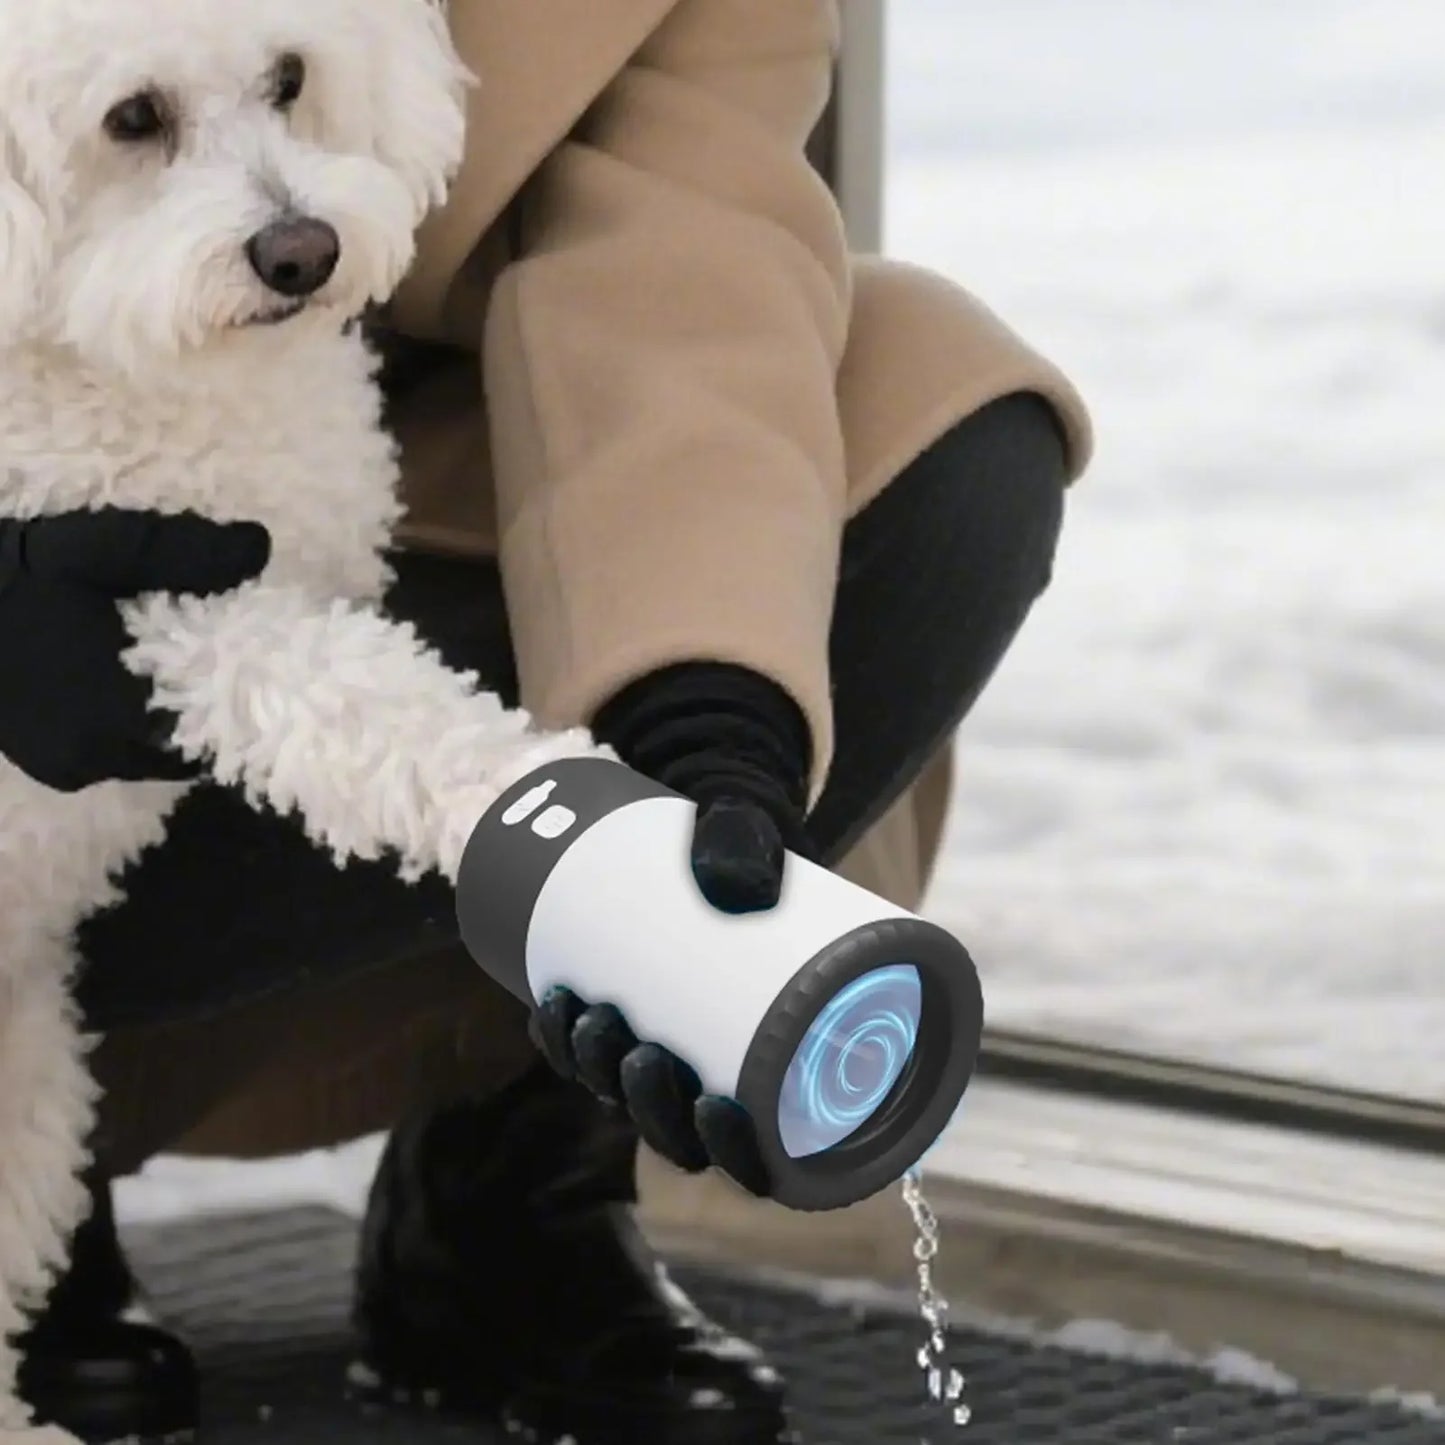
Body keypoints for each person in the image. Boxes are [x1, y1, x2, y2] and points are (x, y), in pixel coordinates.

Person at [0, 3, 1092, 1442]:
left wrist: (702, 700)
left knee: (926, 400)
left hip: (361, 515)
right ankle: (42, 1201)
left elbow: (683, 261)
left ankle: (515, 1175)